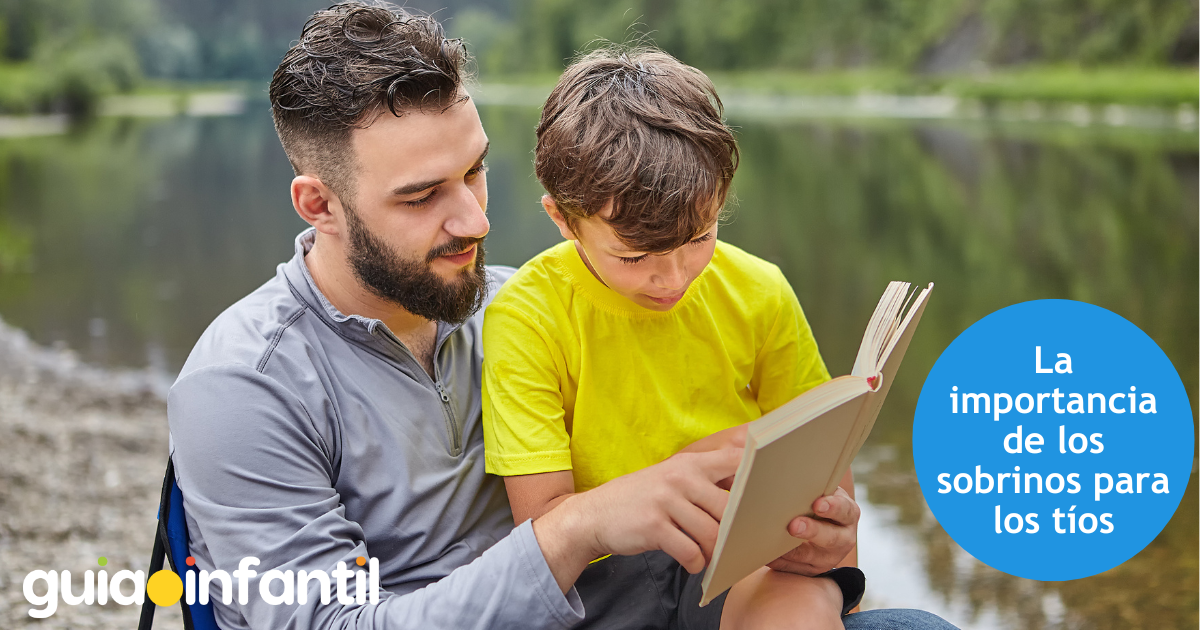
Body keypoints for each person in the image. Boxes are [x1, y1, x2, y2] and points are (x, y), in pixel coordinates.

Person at [167, 2, 957, 629]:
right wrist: (576, 529)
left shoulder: (530, 303)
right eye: (420, 197)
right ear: (319, 205)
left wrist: (816, 539)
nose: (474, 221)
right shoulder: (244, 385)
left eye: (474, 174)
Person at [480, 47, 857, 629]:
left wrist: (825, 539)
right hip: (605, 584)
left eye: (699, 238)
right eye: (635, 256)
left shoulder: (761, 290)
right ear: (562, 218)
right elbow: (542, 535)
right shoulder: (528, 317)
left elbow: (826, 468)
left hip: (740, 563)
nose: (673, 279)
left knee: (803, 606)